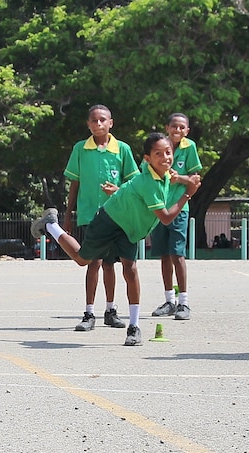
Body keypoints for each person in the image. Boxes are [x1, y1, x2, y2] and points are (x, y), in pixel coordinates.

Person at [32, 133, 201, 346]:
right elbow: (166, 218)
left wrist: (187, 180)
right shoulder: (149, 181)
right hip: (109, 221)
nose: (165, 157)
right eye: (158, 154)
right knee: (83, 259)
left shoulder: (165, 174)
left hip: (129, 228)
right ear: (147, 159)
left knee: (130, 269)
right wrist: (188, 194)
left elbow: (178, 177)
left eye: (168, 152)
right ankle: (51, 225)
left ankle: (134, 326)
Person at [63, 105, 139, 332]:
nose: (98, 124)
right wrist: (68, 215)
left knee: (109, 264)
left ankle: (110, 309)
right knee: (92, 261)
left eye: (102, 120)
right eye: (94, 121)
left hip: (116, 215)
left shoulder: (122, 149)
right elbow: (74, 184)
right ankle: (88, 312)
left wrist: (118, 189)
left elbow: (134, 183)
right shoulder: (80, 149)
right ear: (88, 124)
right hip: (89, 214)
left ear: (111, 123)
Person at [149, 113, 202, 321]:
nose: (177, 131)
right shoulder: (160, 147)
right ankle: (169, 300)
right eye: (174, 127)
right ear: (167, 128)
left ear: (187, 131)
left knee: (177, 254)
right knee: (163, 254)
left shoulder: (190, 148)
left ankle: (183, 302)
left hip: (179, 208)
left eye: (182, 128)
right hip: (159, 207)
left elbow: (196, 179)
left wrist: (179, 178)